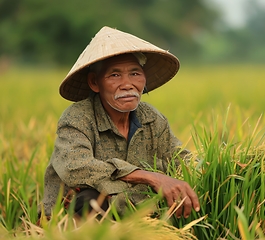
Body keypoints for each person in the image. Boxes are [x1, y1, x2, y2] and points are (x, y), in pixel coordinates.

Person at [39, 26, 200, 220]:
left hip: (133, 211)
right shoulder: (77, 118)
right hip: (74, 216)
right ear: (94, 83)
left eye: (134, 74)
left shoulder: (151, 117)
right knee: (88, 200)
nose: (127, 84)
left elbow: (178, 157)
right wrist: (150, 177)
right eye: (115, 75)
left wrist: (210, 170)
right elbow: (76, 166)